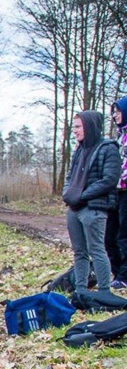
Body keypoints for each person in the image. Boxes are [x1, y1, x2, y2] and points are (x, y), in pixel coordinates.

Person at [63, 110, 120, 294]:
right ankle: (81, 290)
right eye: (75, 127)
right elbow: (70, 176)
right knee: (79, 253)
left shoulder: (108, 148)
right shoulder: (79, 150)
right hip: (74, 208)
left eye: (78, 127)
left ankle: (104, 292)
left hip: (94, 208)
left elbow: (110, 179)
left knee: (97, 250)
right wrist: (68, 193)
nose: (75, 131)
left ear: (89, 126)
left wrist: (84, 195)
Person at [111, 97, 127, 288]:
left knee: (124, 235)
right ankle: (117, 273)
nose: (115, 115)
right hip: (115, 191)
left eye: (118, 111)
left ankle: (124, 277)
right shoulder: (118, 136)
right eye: (113, 112)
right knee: (110, 236)